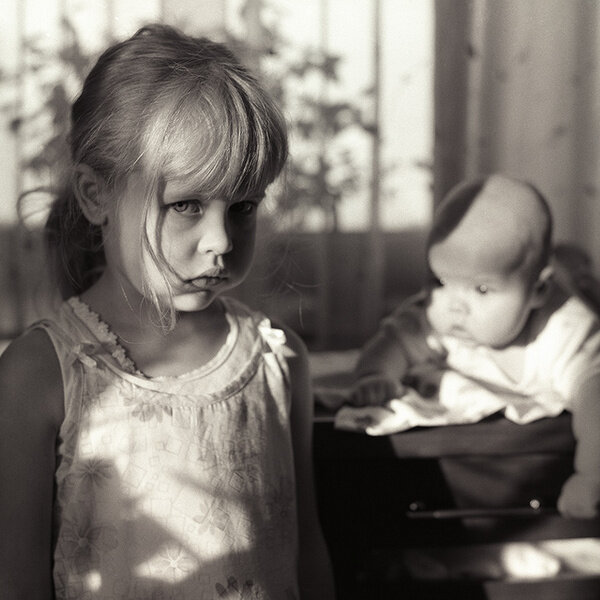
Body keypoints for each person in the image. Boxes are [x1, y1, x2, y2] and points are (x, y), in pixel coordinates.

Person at [0, 24, 334, 599]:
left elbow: (307, 552)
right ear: (96, 195)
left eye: (244, 206)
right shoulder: (41, 374)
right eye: (186, 205)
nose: (221, 241)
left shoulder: (279, 361)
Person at [352, 174, 600, 518]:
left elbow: (595, 397)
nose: (455, 305)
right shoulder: (431, 316)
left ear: (538, 291)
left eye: (481, 289)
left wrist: (590, 475)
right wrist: (376, 375)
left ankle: (584, 280)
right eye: (440, 281)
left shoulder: (564, 331)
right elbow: (393, 341)